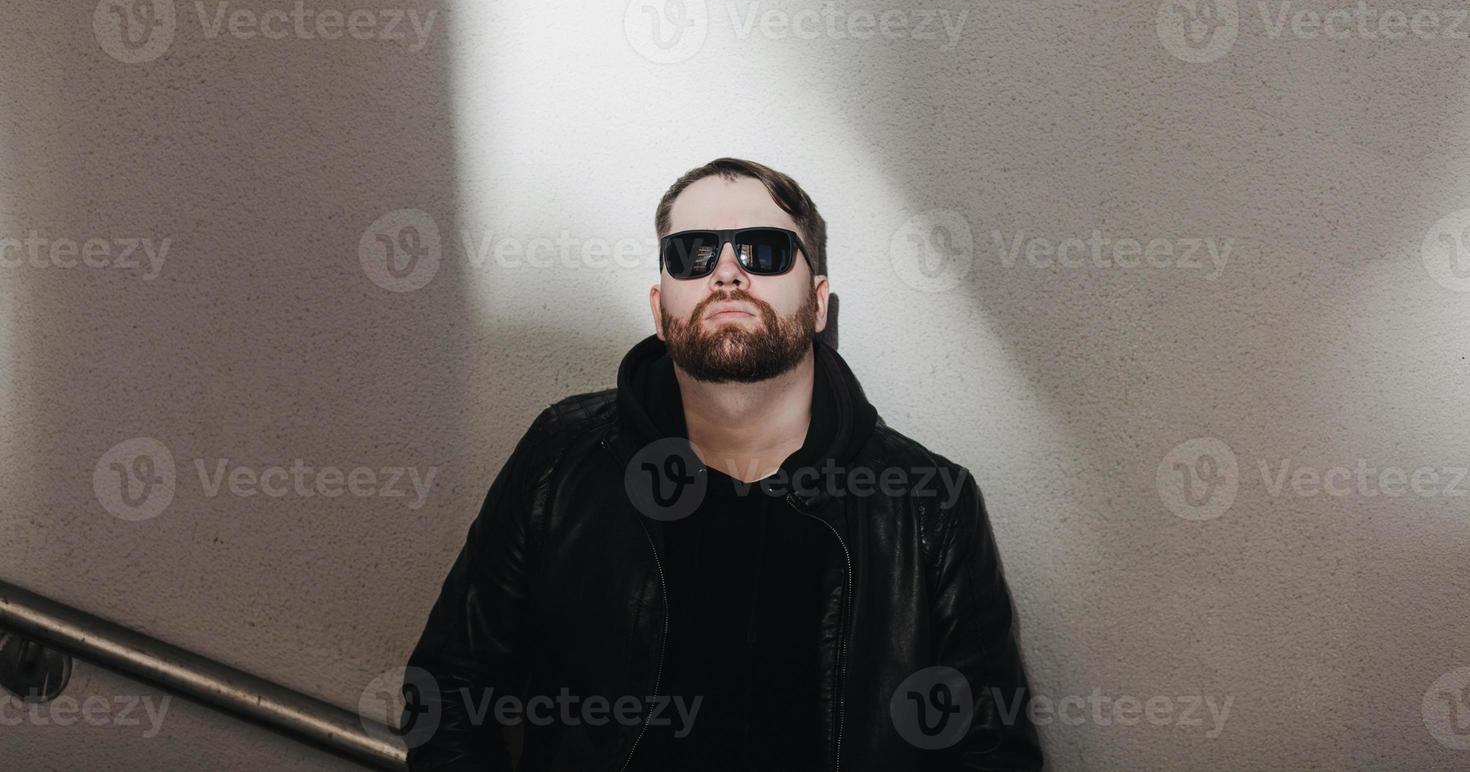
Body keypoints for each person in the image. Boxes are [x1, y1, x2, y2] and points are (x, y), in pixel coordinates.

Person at [401, 157, 1044, 771]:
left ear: (818, 303)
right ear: (659, 307)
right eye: (694, 253)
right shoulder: (563, 456)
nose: (728, 273)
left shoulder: (928, 502)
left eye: (764, 251)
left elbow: (991, 750)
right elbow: (449, 687)